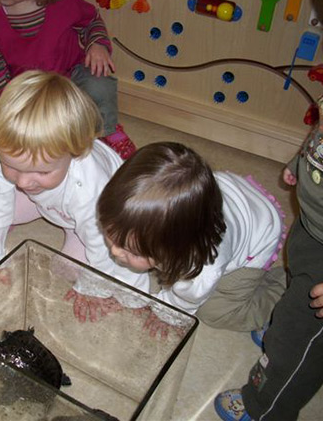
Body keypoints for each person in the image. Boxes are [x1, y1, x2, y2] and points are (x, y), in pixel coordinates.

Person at [214, 0, 323, 419]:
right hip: (318, 227)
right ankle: (287, 322)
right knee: (294, 280)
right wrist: (302, 161)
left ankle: (263, 409)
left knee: (293, 347)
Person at [0, 70, 149, 319]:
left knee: (65, 270)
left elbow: (106, 247)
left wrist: (93, 289)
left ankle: (72, 235)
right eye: (11, 166)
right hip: (51, 203)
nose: (22, 181)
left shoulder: (91, 190)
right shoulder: (10, 152)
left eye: (41, 171)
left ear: (75, 153)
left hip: (92, 224)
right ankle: (45, 199)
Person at [97, 142, 288, 334]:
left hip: (260, 236)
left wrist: (167, 313)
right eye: (110, 234)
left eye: (131, 250)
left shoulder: (200, 270)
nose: (114, 250)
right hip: (230, 196)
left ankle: (285, 283)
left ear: (175, 251)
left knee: (214, 312)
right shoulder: (180, 216)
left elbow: (186, 300)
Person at [0, 0, 136, 160]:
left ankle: (107, 130)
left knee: (99, 83)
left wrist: (97, 44)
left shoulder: (63, 0)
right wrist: (9, 96)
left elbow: (91, 22)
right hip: (29, 87)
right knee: (12, 132)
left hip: (72, 76)